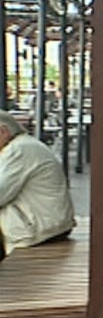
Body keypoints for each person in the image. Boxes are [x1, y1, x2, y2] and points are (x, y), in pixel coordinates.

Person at [0, 110, 76, 261]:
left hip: (38, 231)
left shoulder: (19, 150)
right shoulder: (23, 145)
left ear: (2, 131)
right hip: (48, 226)